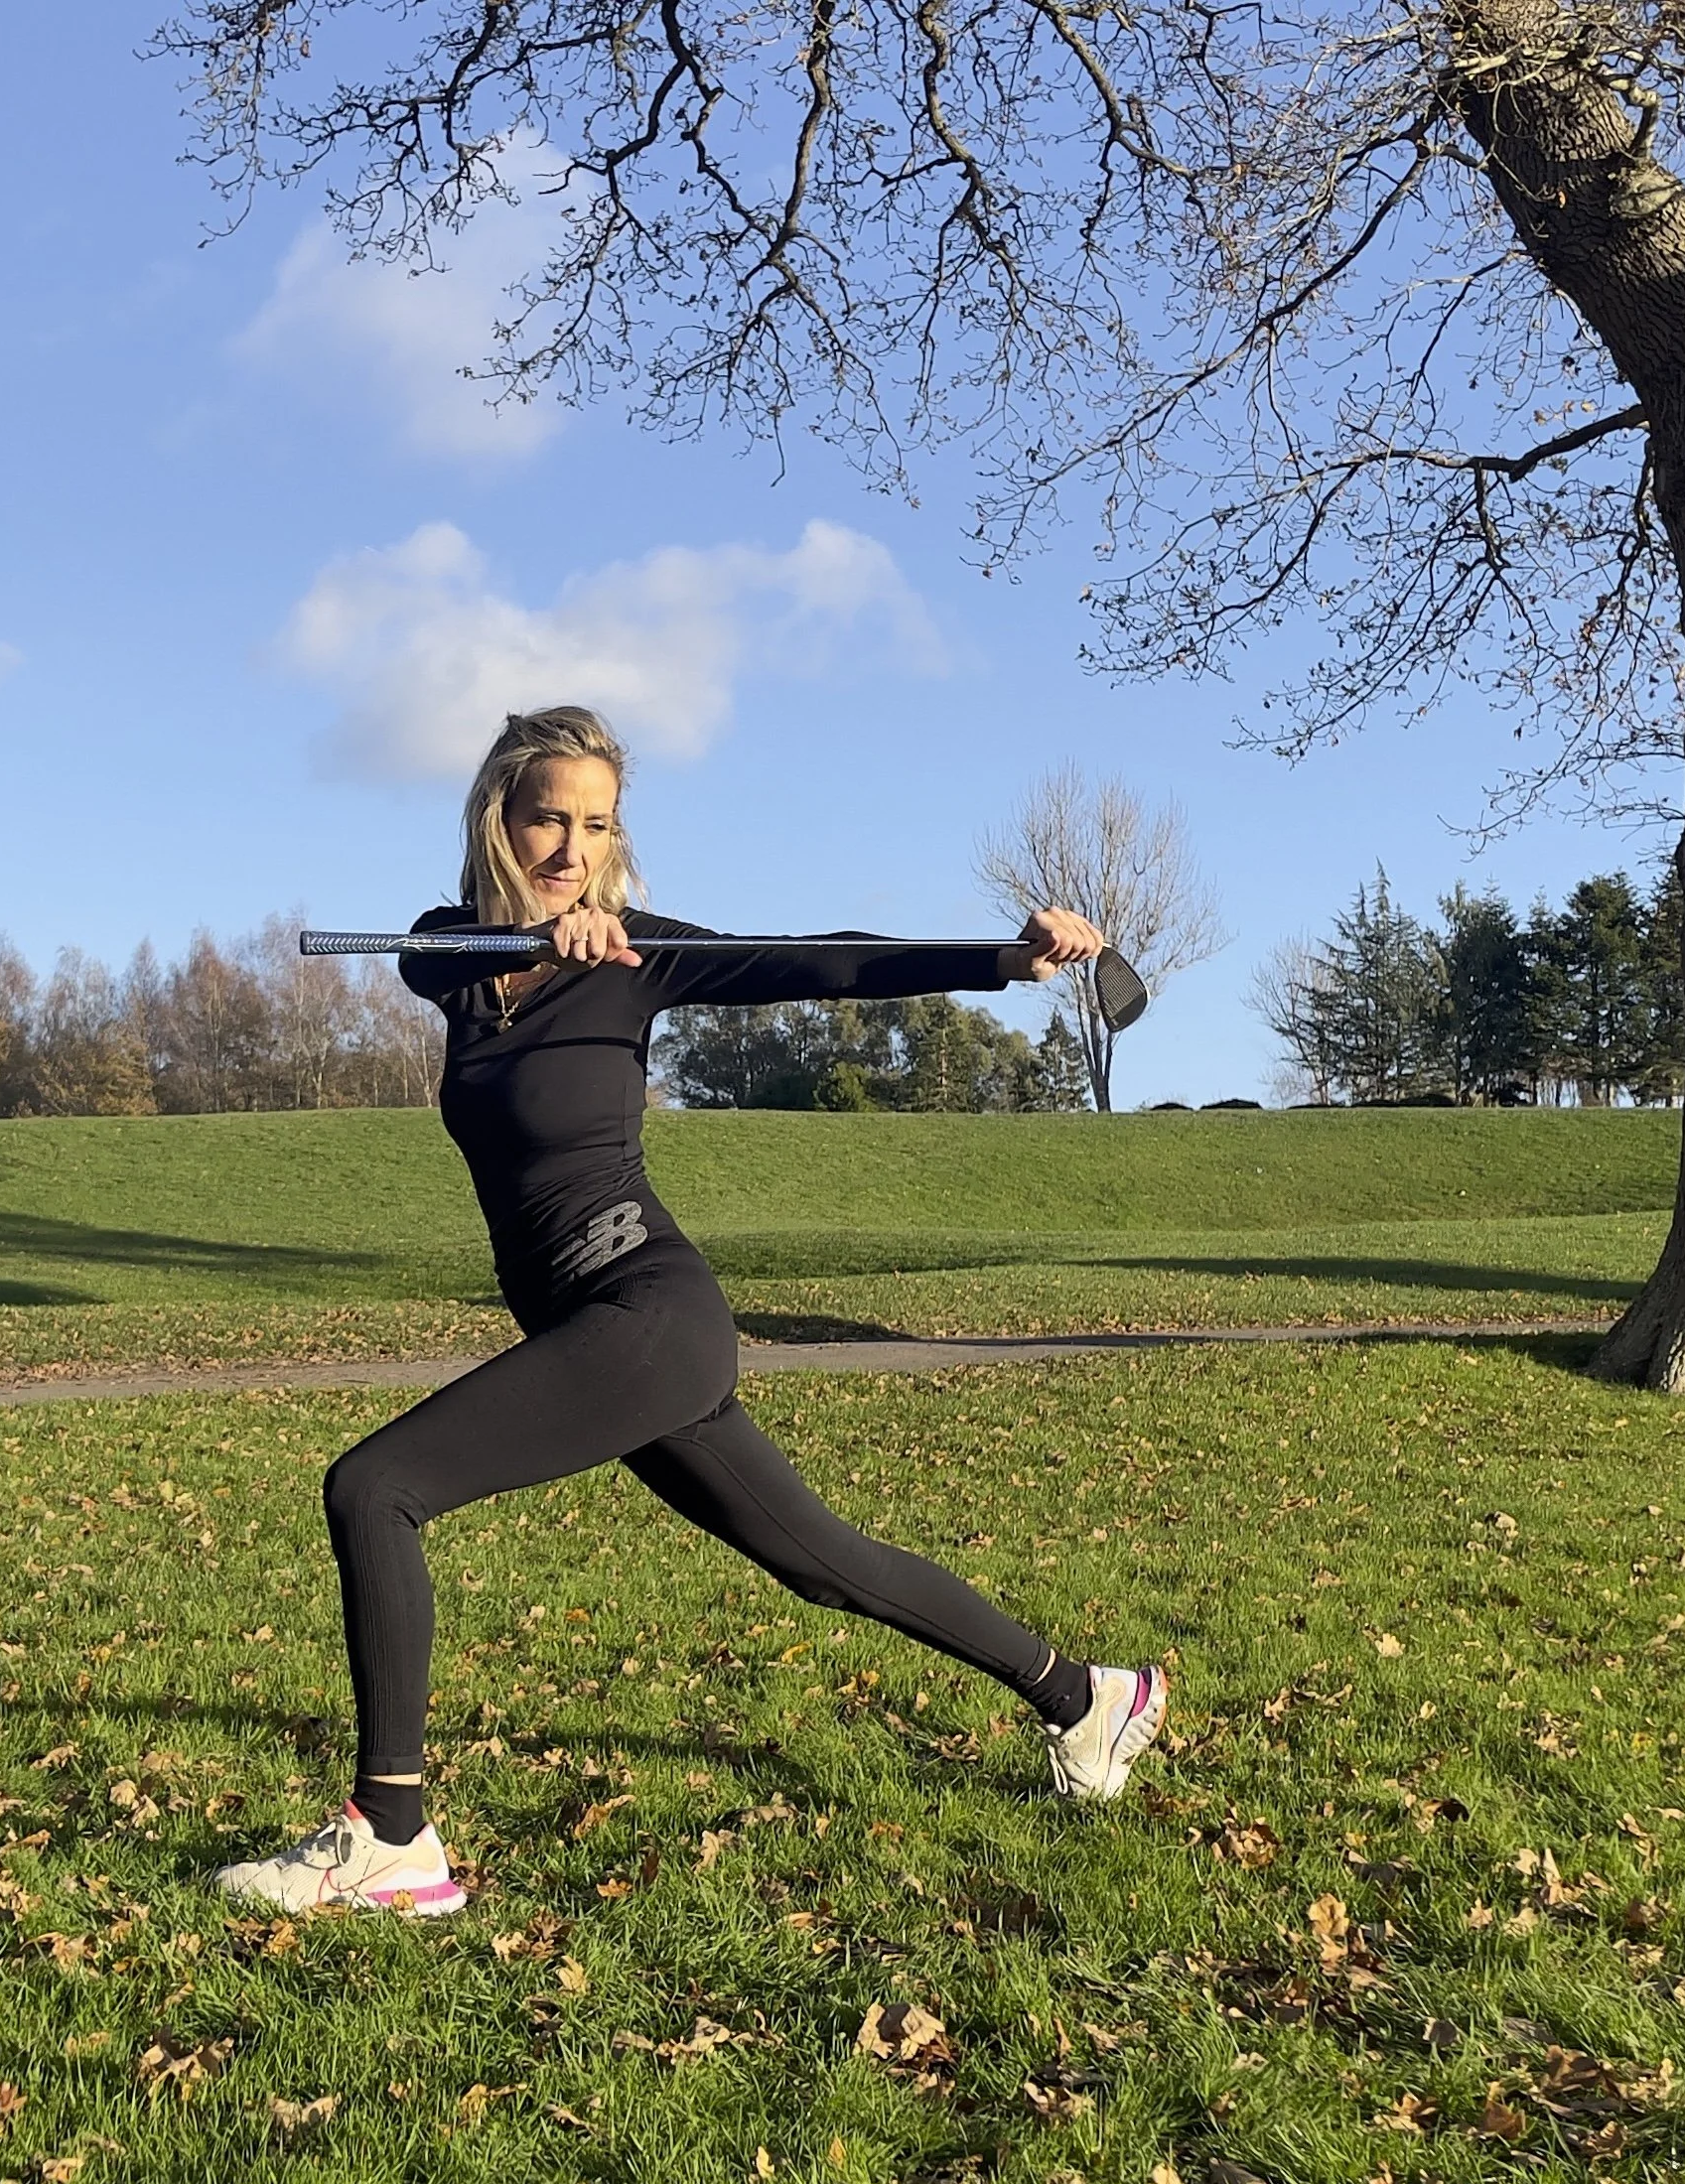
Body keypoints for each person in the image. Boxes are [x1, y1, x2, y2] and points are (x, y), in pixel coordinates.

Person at [214, 708, 1168, 1916]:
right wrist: (547, 943)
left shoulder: (639, 958)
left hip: (648, 1311)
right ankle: (1089, 1698)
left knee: (375, 1487)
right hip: (597, 1332)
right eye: (548, 817)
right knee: (827, 1565)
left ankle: (392, 1834)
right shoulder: (450, 950)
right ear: (499, 821)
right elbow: (437, 955)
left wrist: (999, 959)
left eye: (596, 825)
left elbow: (817, 961)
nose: (571, 846)